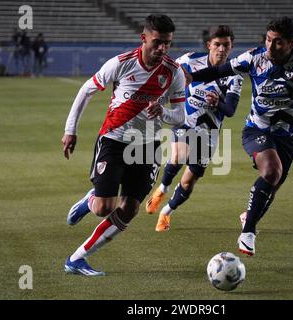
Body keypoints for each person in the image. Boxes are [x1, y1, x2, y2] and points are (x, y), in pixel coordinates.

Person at [186, 16, 293, 256]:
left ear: (290, 44)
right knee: (272, 171)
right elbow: (219, 70)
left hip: (288, 135)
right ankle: (248, 232)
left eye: (277, 42)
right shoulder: (254, 58)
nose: (270, 46)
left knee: (272, 185)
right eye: (268, 40)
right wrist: (190, 77)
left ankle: (249, 216)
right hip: (257, 129)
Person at [61, 14, 186, 276]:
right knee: (104, 208)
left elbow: (180, 117)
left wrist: (162, 112)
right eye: (157, 42)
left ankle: (76, 259)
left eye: (168, 43)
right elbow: (87, 90)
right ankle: (90, 200)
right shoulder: (121, 63)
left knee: (130, 208)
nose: (162, 48)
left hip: (147, 145)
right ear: (144, 38)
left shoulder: (173, 72)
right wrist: (70, 130)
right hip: (114, 140)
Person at [145, 25, 243, 232]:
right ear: (209, 45)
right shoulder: (189, 61)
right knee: (179, 155)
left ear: (231, 47)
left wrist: (218, 103)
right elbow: (167, 73)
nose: (221, 49)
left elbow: (231, 110)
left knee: (189, 182)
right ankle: (162, 188)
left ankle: (166, 212)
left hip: (209, 134)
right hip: (185, 122)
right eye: (217, 44)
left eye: (226, 45)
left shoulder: (234, 76)